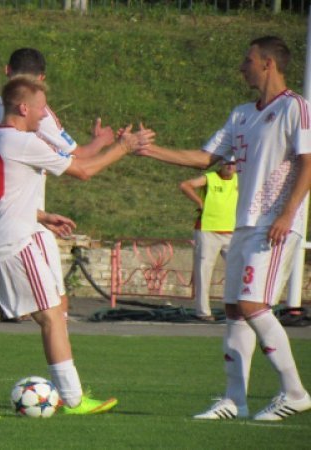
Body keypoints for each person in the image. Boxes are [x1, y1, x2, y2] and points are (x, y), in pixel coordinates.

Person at [0, 75, 153, 414]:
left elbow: (0, 199)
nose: (43, 114)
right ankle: (74, 399)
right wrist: (124, 147)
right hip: (13, 244)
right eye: (41, 108)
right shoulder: (24, 142)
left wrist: (43, 216)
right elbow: (84, 170)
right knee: (52, 316)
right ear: (23, 108)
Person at [138, 36, 311, 421]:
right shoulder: (241, 114)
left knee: (252, 305)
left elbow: (308, 162)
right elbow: (205, 158)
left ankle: (295, 392)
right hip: (243, 225)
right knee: (234, 309)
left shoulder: (295, 107)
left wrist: (287, 214)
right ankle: (235, 400)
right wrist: (148, 150)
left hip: (274, 224)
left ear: (267, 63)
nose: (241, 67)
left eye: (248, 60)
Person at [0, 48, 116, 320]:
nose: (41, 115)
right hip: (24, 226)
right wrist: (107, 143)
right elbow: (80, 161)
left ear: (7, 71)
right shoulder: (33, 117)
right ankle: (61, 348)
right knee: (55, 307)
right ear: (41, 78)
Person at [179, 159, 238, 321]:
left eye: (233, 163)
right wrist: (200, 202)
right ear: (221, 164)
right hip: (207, 230)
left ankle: (237, 308)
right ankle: (203, 312)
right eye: (227, 162)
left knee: (239, 269)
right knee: (204, 272)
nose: (230, 166)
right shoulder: (210, 178)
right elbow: (185, 185)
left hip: (232, 232)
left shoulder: (240, 179)